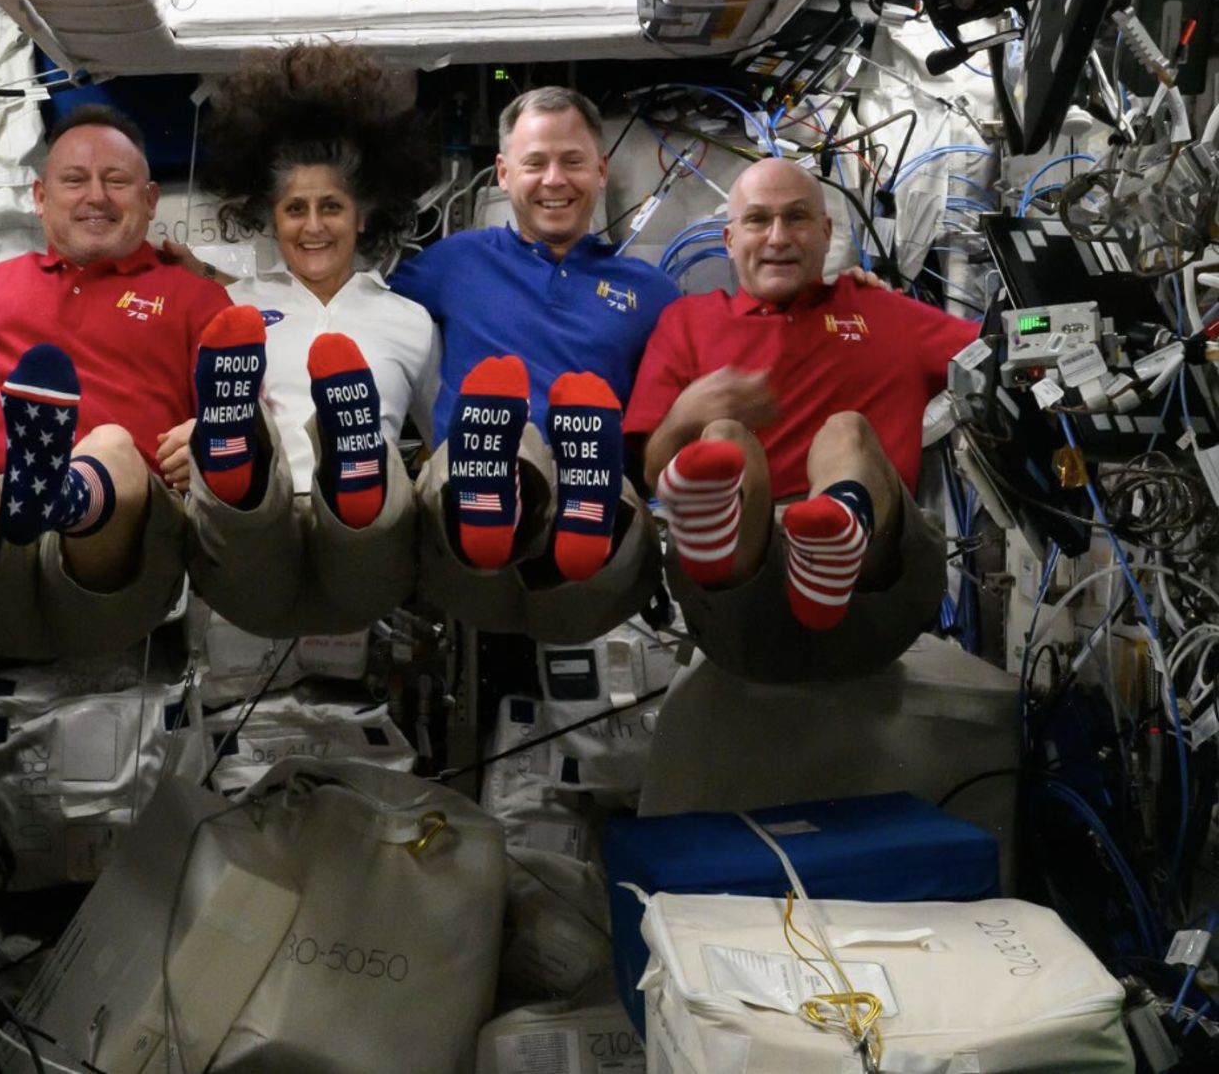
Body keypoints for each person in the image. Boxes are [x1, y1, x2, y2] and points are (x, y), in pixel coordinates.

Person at [623, 157, 980, 681]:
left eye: (797, 218)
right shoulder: (688, 323)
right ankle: (724, 547)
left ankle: (836, 529)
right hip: (741, 593)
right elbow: (653, 470)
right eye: (757, 220)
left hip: (873, 584)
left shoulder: (885, 314)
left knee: (848, 432)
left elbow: (1003, 352)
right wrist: (687, 414)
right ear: (728, 238)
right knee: (724, 440)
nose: (778, 237)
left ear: (826, 231)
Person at [0, 104, 230, 660]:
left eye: (116, 180)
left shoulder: (197, 298)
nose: (95, 196)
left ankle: (61, 495)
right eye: (74, 180)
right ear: (39, 197)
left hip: (115, 561)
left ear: (150, 201)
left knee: (111, 445)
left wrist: (205, 434)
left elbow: (244, 418)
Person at [161, 43, 441, 637]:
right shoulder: (232, 310)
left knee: (370, 508)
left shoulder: (410, 320)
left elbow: (439, 443)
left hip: (364, 549)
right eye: (295, 208)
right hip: (259, 532)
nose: (313, 226)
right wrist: (200, 438)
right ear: (272, 217)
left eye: (331, 207)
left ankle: (354, 460)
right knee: (246, 503)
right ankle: (237, 454)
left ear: (363, 215)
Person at [388, 86, 681, 642]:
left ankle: (581, 492)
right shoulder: (453, 263)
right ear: (502, 173)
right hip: (465, 522)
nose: (554, 180)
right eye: (535, 163)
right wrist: (222, 289)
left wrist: (842, 288)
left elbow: (722, 338)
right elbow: (348, 307)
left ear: (600, 170)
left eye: (572, 161)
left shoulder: (652, 292)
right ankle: (503, 481)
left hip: (591, 545)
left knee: (598, 477)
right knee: (504, 436)